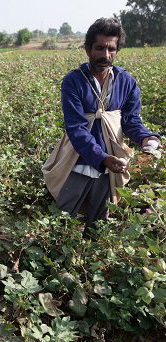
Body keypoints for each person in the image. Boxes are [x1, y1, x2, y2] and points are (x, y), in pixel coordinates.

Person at [42, 18, 161, 234]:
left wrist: (147, 138)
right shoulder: (74, 81)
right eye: (100, 48)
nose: (106, 55)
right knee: (64, 221)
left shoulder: (126, 81)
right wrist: (102, 158)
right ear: (88, 50)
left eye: (111, 49)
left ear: (117, 51)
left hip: (111, 161)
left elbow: (132, 121)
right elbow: (76, 128)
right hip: (78, 159)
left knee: (99, 224)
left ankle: (88, 262)